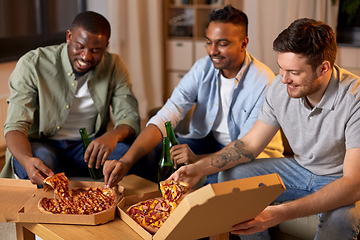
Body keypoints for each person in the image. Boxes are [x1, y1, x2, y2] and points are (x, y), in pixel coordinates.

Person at [169, 18, 360, 239]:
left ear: (323, 68)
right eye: (281, 68)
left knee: (341, 222)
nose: (283, 79)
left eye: (294, 72)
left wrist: (278, 213)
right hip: (300, 169)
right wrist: (199, 168)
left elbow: (353, 184)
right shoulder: (280, 88)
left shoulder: (354, 98)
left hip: (341, 178)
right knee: (232, 175)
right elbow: (249, 145)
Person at [103, 5, 284, 188]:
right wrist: (126, 161)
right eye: (208, 42)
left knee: (221, 178)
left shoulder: (264, 82)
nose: (212, 51)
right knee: (150, 153)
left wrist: (198, 161)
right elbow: (168, 113)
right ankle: (152, 205)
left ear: (243, 43)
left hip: (251, 156)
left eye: (222, 44)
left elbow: (245, 148)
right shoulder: (202, 68)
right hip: (209, 142)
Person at [0, 11, 152, 186]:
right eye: (79, 46)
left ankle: (126, 209)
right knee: (41, 165)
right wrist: (26, 160)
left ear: (106, 45)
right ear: (69, 36)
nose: (86, 56)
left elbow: (130, 117)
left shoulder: (114, 65)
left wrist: (113, 135)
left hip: (88, 148)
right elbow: (15, 126)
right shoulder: (33, 64)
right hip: (43, 145)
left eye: (95, 50)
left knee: (140, 156)